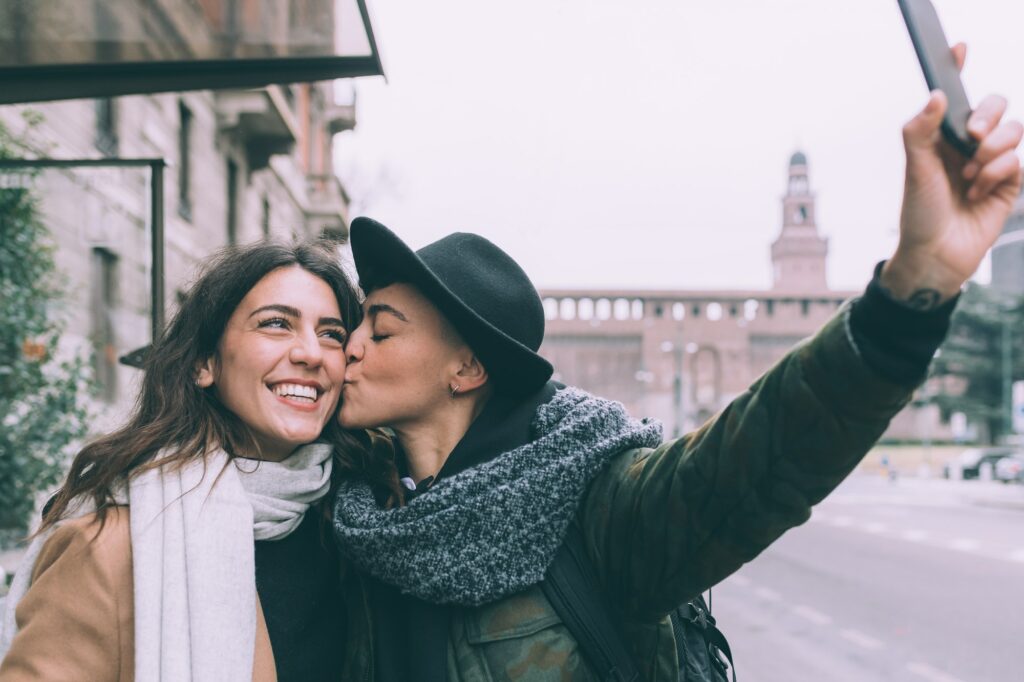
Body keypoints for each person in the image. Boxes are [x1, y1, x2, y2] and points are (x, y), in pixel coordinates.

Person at [331, 49, 1023, 681]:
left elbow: (759, 456)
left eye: (381, 331)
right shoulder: (351, 510)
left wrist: (913, 286)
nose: (351, 345)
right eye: (356, 324)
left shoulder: (591, 504)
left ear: (467, 370)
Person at [0, 241, 393, 682]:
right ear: (204, 364)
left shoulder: (357, 525)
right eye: (276, 324)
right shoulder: (108, 548)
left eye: (331, 334)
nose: (311, 353)